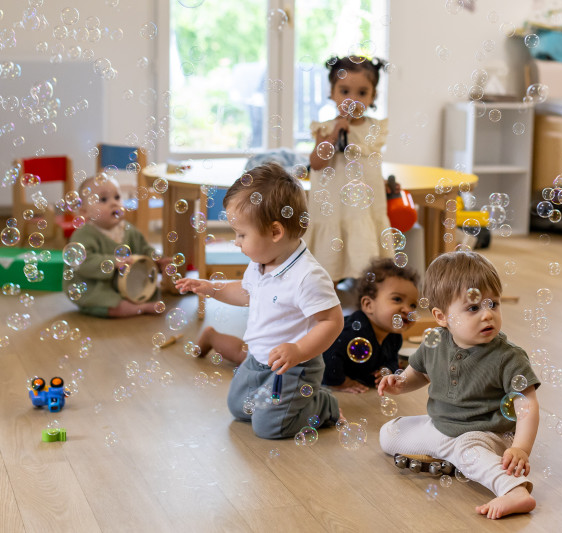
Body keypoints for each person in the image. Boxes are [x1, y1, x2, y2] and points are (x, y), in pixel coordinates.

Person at [176, 162, 344, 439]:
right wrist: (212, 288)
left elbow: (332, 321)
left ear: (275, 232)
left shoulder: (308, 276)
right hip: (258, 356)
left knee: (269, 427)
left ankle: (322, 404)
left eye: (241, 234)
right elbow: (246, 292)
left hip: (294, 366)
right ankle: (290, 402)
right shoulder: (261, 262)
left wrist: (299, 350)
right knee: (238, 407)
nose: (236, 242)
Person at [378, 251, 540, 520]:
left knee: (469, 450)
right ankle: (453, 458)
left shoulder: (508, 356)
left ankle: (514, 491)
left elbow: (528, 404)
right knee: (389, 433)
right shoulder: (434, 341)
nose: (488, 315)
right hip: (442, 426)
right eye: (474, 308)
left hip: (487, 433)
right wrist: (399, 383)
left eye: (493, 304)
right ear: (442, 317)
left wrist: (520, 448)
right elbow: (417, 373)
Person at [306, 55, 392, 282]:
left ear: (373, 96)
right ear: (332, 93)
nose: (352, 99)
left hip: (363, 208)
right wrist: (335, 133)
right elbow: (316, 163)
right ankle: (327, 302)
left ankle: (368, 303)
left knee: (367, 265)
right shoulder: (324, 129)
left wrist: (384, 183)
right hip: (332, 208)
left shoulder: (375, 128)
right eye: (345, 92)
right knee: (327, 268)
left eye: (362, 93)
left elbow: (370, 162)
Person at [68, 175, 170, 317]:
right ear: (84, 211)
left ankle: (138, 302)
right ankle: (141, 308)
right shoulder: (84, 235)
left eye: (117, 197)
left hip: (125, 285)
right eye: (103, 199)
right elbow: (83, 262)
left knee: (150, 289)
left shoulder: (128, 229)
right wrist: (113, 261)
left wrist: (157, 259)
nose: (114, 203)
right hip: (96, 287)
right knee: (116, 307)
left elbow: (144, 249)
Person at [322, 257, 419, 393]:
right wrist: (340, 382)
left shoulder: (395, 337)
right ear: (368, 305)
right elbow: (329, 353)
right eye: (397, 299)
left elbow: (392, 358)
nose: (408, 310)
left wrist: (388, 369)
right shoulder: (352, 331)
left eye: (413, 305)